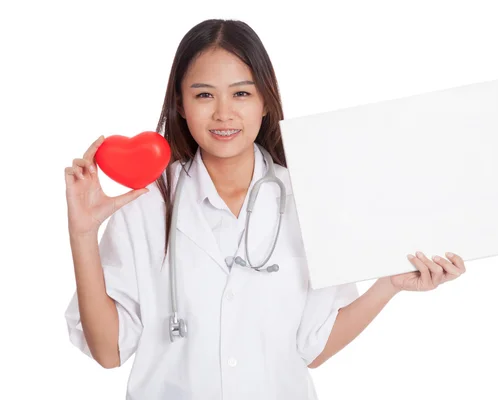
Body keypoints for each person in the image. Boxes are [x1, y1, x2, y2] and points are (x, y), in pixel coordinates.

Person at [63, 19, 466, 400]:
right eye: (204, 94)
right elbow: (109, 352)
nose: (223, 113)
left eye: (241, 93)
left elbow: (314, 346)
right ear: (181, 105)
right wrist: (83, 234)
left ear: (265, 101)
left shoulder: (307, 197)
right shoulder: (147, 203)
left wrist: (389, 285)